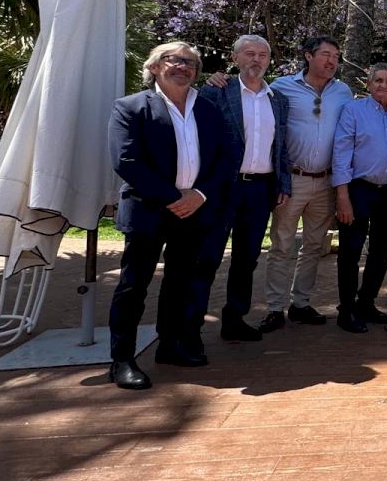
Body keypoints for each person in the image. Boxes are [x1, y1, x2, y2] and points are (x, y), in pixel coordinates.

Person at [106, 42, 232, 390]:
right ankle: (121, 360)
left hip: (194, 211)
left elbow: (225, 157)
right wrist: (175, 198)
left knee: (180, 282)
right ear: (154, 67)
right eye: (174, 59)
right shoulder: (131, 107)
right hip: (149, 210)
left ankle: (170, 345)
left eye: (190, 62)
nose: (184, 66)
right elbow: (126, 161)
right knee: (134, 286)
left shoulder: (207, 109)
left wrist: (199, 195)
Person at [195, 35, 291, 343]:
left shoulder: (277, 100)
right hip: (223, 187)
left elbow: (281, 146)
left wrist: (283, 183)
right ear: (235, 58)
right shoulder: (216, 91)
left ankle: (234, 319)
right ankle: (191, 326)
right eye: (249, 53)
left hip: (261, 190)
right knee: (207, 256)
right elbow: (199, 140)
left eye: (263, 54)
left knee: (247, 258)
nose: (256, 59)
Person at [258, 36, 353, 333]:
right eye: (326, 54)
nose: (332, 61)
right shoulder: (281, 87)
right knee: (282, 245)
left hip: (326, 181)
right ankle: (275, 308)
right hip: (292, 180)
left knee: (313, 246)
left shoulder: (343, 91)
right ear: (308, 56)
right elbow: (254, 105)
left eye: (336, 56)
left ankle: (300, 304)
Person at [331, 64, 387, 334]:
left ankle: (366, 303)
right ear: (369, 84)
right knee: (350, 251)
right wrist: (342, 196)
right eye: (378, 80)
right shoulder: (353, 110)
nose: (383, 85)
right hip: (358, 189)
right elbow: (341, 153)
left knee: (380, 252)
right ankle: (346, 310)